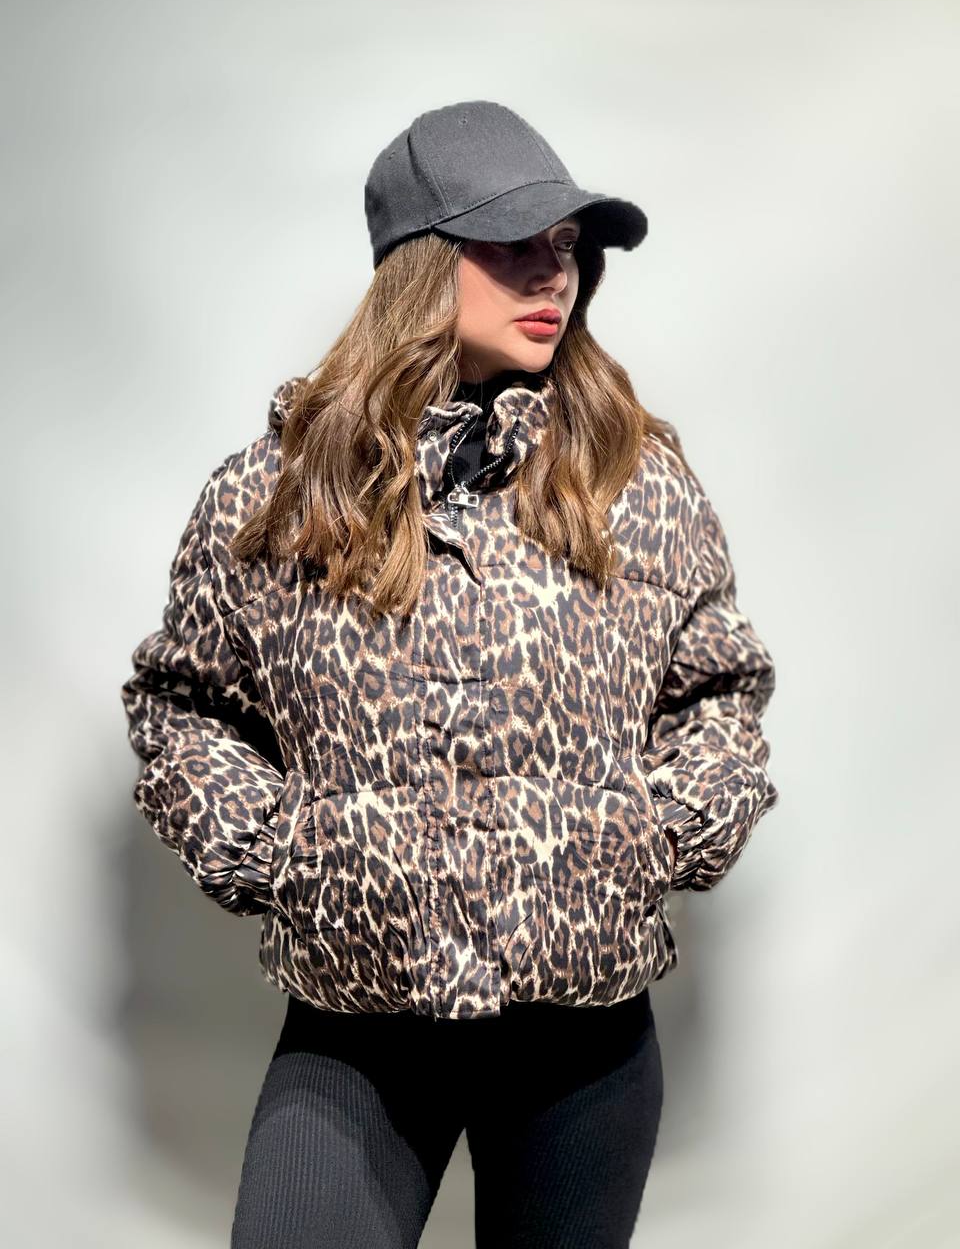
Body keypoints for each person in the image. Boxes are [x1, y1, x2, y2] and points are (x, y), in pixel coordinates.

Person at [120, 100, 779, 1248]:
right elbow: (185, 705)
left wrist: (649, 834)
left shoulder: (635, 481)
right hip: (362, 1020)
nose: (553, 274)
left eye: (566, 246)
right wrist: (287, 850)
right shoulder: (276, 493)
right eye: (514, 242)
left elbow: (718, 691)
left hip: (584, 1033)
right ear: (423, 264)